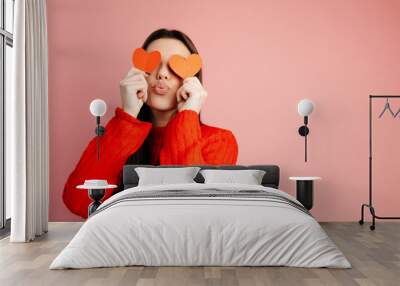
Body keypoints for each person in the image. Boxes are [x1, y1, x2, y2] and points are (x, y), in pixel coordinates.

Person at [63, 28, 239, 218]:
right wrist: (128, 116)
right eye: (154, 63)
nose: (162, 74)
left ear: (192, 80)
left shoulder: (220, 141)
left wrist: (188, 114)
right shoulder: (120, 132)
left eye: (175, 66)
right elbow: (78, 202)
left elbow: (194, 211)